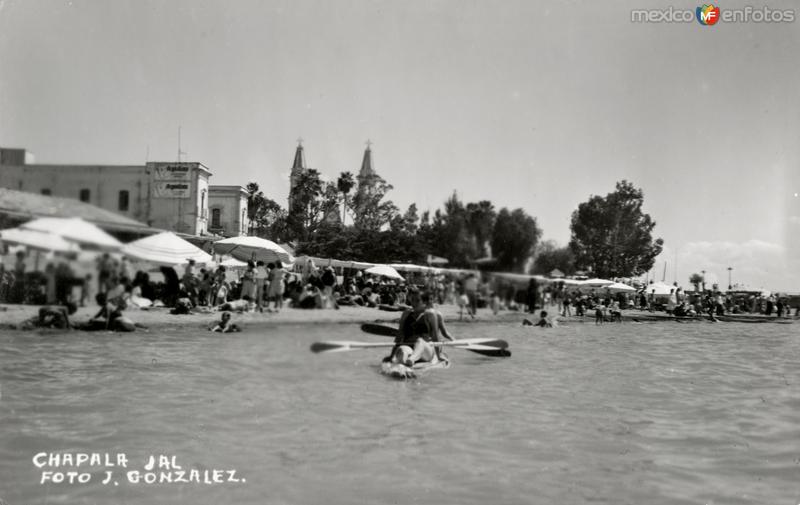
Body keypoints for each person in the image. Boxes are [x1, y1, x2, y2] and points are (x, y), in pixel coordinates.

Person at [384, 289, 452, 367]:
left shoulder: (430, 314)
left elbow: (435, 337)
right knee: (402, 350)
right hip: (409, 346)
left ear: (424, 302)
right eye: (412, 300)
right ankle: (404, 365)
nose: (414, 303)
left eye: (417, 301)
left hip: (426, 350)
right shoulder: (406, 314)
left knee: (420, 341)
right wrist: (391, 355)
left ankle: (411, 359)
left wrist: (438, 356)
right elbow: (399, 335)